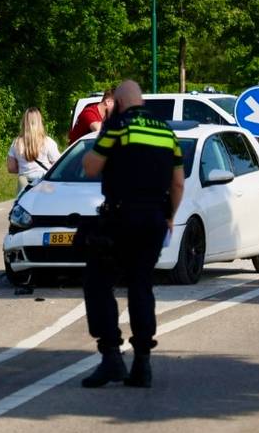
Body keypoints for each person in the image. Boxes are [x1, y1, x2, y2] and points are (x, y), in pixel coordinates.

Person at [79, 80, 184, 389]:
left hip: (121, 216)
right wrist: (169, 217)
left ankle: (111, 356)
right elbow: (178, 183)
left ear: (121, 103)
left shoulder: (118, 127)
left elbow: (90, 168)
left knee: (98, 281)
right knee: (141, 285)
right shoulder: (167, 132)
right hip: (154, 218)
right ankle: (142, 365)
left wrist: (101, 139)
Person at [6, 108, 61, 195]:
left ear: (24, 122)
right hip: (44, 182)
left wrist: (25, 168)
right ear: (39, 122)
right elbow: (58, 165)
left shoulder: (16, 143)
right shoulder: (48, 142)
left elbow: (11, 168)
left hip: (24, 183)